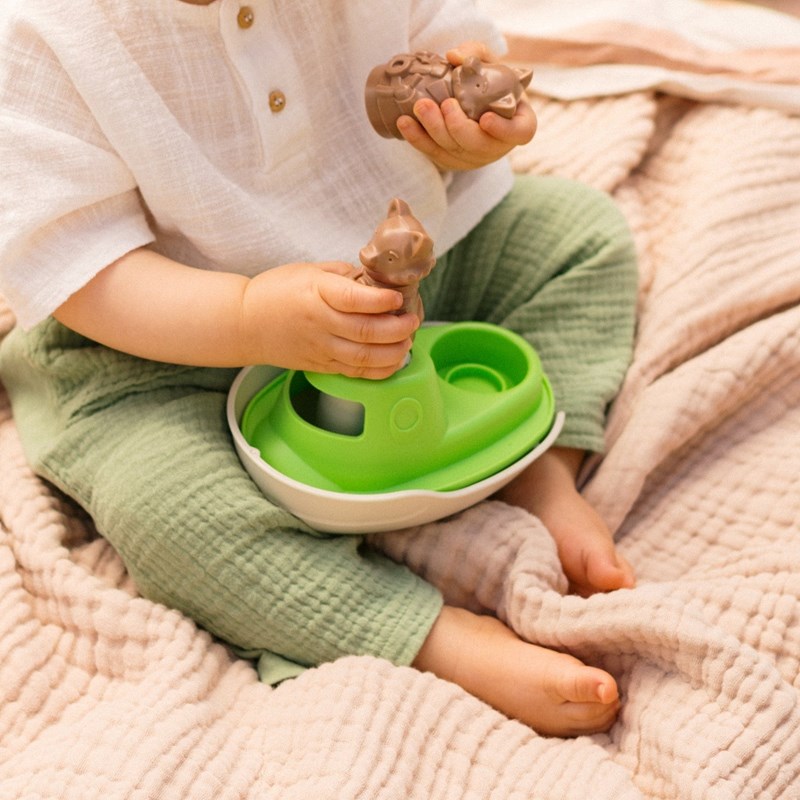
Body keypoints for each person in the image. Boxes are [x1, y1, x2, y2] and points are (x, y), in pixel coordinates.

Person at [0, 0, 636, 737]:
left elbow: (452, 49)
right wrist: (246, 318)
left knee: (580, 237)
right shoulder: (44, 33)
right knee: (165, 507)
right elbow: (80, 266)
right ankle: (428, 639)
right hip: (165, 351)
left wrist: (477, 133)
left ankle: (540, 469)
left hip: (408, 268)